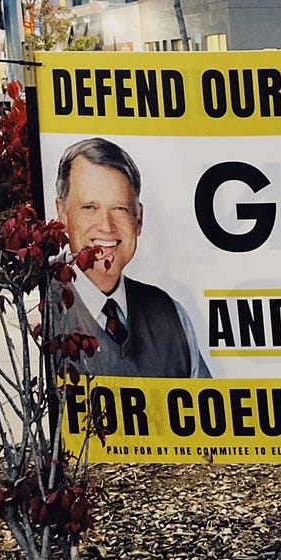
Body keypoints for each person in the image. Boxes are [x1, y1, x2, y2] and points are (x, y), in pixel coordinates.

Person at [54, 137, 211, 379]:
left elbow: (207, 415)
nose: (106, 226)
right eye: (89, 207)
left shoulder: (171, 317)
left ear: (138, 219)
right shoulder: (34, 308)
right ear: (62, 214)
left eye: (120, 209)